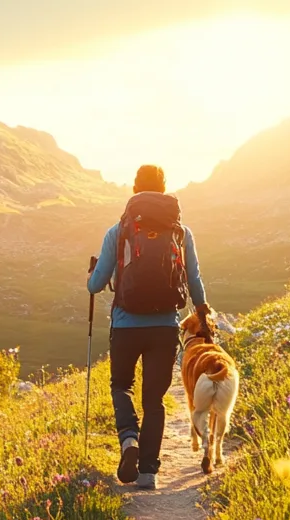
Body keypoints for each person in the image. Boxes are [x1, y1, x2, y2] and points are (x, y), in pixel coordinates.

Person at [87, 165, 210, 490]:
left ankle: (129, 440)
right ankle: (148, 472)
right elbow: (193, 278)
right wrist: (202, 313)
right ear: (164, 188)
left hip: (126, 325)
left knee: (121, 386)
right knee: (154, 399)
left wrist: (91, 276)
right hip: (164, 328)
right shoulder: (181, 232)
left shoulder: (119, 230)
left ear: (135, 189)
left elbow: (96, 285)